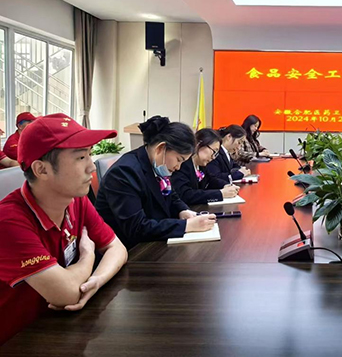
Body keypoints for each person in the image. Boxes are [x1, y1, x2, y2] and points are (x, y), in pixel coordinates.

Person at [0, 114, 128, 344]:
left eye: (90, 154)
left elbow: (117, 248)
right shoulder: (8, 221)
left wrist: (96, 281)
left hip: (61, 329)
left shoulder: (75, 200)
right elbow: (66, 294)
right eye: (80, 157)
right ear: (41, 170)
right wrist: (88, 256)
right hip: (19, 341)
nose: (91, 166)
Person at [95, 116, 216, 249]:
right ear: (160, 148)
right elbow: (136, 228)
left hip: (151, 243)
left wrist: (183, 210)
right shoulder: (124, 172)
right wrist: (187, 226)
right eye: (179, 160)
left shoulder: (156, 165)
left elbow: (172, 196)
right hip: (130, 250)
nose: (178, 167)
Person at [172, 128, 240, 205]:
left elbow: (210, 180)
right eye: (214, 151)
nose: (213, 157)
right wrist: (220, 193)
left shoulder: (201, 165)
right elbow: (186, 195)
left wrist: (226, 185)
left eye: (216, 154)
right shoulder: (183, 164)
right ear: (199, 144)